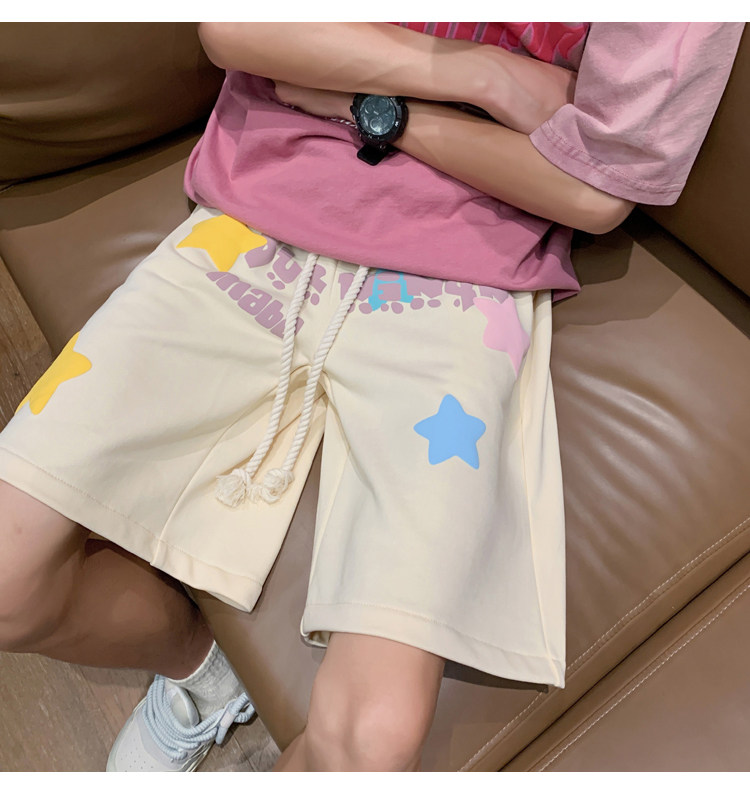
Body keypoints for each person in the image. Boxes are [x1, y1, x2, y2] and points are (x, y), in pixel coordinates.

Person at [0, 22, 743, 773]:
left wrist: (368, 105)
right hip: (255, 210)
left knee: (371, 745)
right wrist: (489, 76)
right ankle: (205, 670)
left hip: (467, 279)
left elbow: (597, 188)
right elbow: (236, 28)